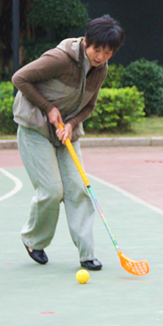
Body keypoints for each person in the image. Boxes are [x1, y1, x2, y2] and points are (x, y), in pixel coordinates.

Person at [12, 15, 124, 271]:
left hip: (66, 133)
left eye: (108, 52)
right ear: (86, 42)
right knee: (52, 191)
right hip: (35, 128)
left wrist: (72, 124)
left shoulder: (101, 70)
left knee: (78, 189)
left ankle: (87, 255)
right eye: (97, 50)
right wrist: (49, 109)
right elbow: (19, 78)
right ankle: (34, 240)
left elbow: (90, 106)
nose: (101, 57)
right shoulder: (60, 59)